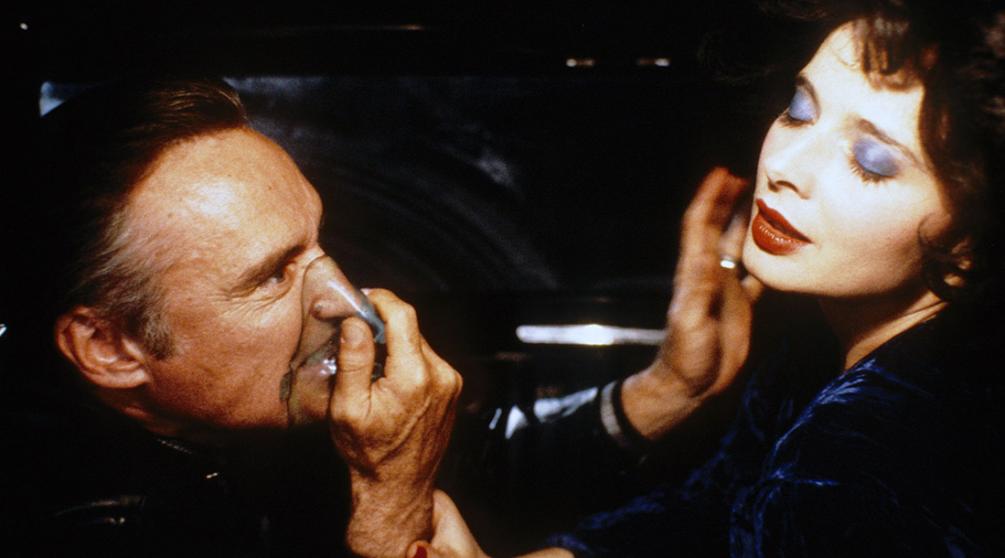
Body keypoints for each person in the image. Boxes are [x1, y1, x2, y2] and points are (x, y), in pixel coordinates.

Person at [400, 1, 1005, 556]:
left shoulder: (863, 455)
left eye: (870, 162)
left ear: (973, 241)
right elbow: (713, 512)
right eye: (800, 110)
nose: (784, 165)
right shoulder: (821, 350)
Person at [1, 77, 466, 558]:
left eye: (317, 243)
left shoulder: (225, 438)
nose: (346, 301)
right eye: (273, 276)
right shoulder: (85, 528)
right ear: (109, 347)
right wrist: (390, 503)